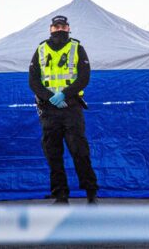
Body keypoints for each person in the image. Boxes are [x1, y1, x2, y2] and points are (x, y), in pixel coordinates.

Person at [28, 15, 98, 204]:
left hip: (71, 107)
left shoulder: (77, 48)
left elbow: (84, 77)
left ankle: (91, 192)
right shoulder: (41, 49)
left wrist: (64, 94)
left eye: (63, 26)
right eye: (56, 27)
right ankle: (60, 195)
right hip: (49, 110)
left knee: (79, 151)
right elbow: (33, 81)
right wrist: (48, 97)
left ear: (68, 28)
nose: (59, 30)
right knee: (53, 153)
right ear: (51, 29)